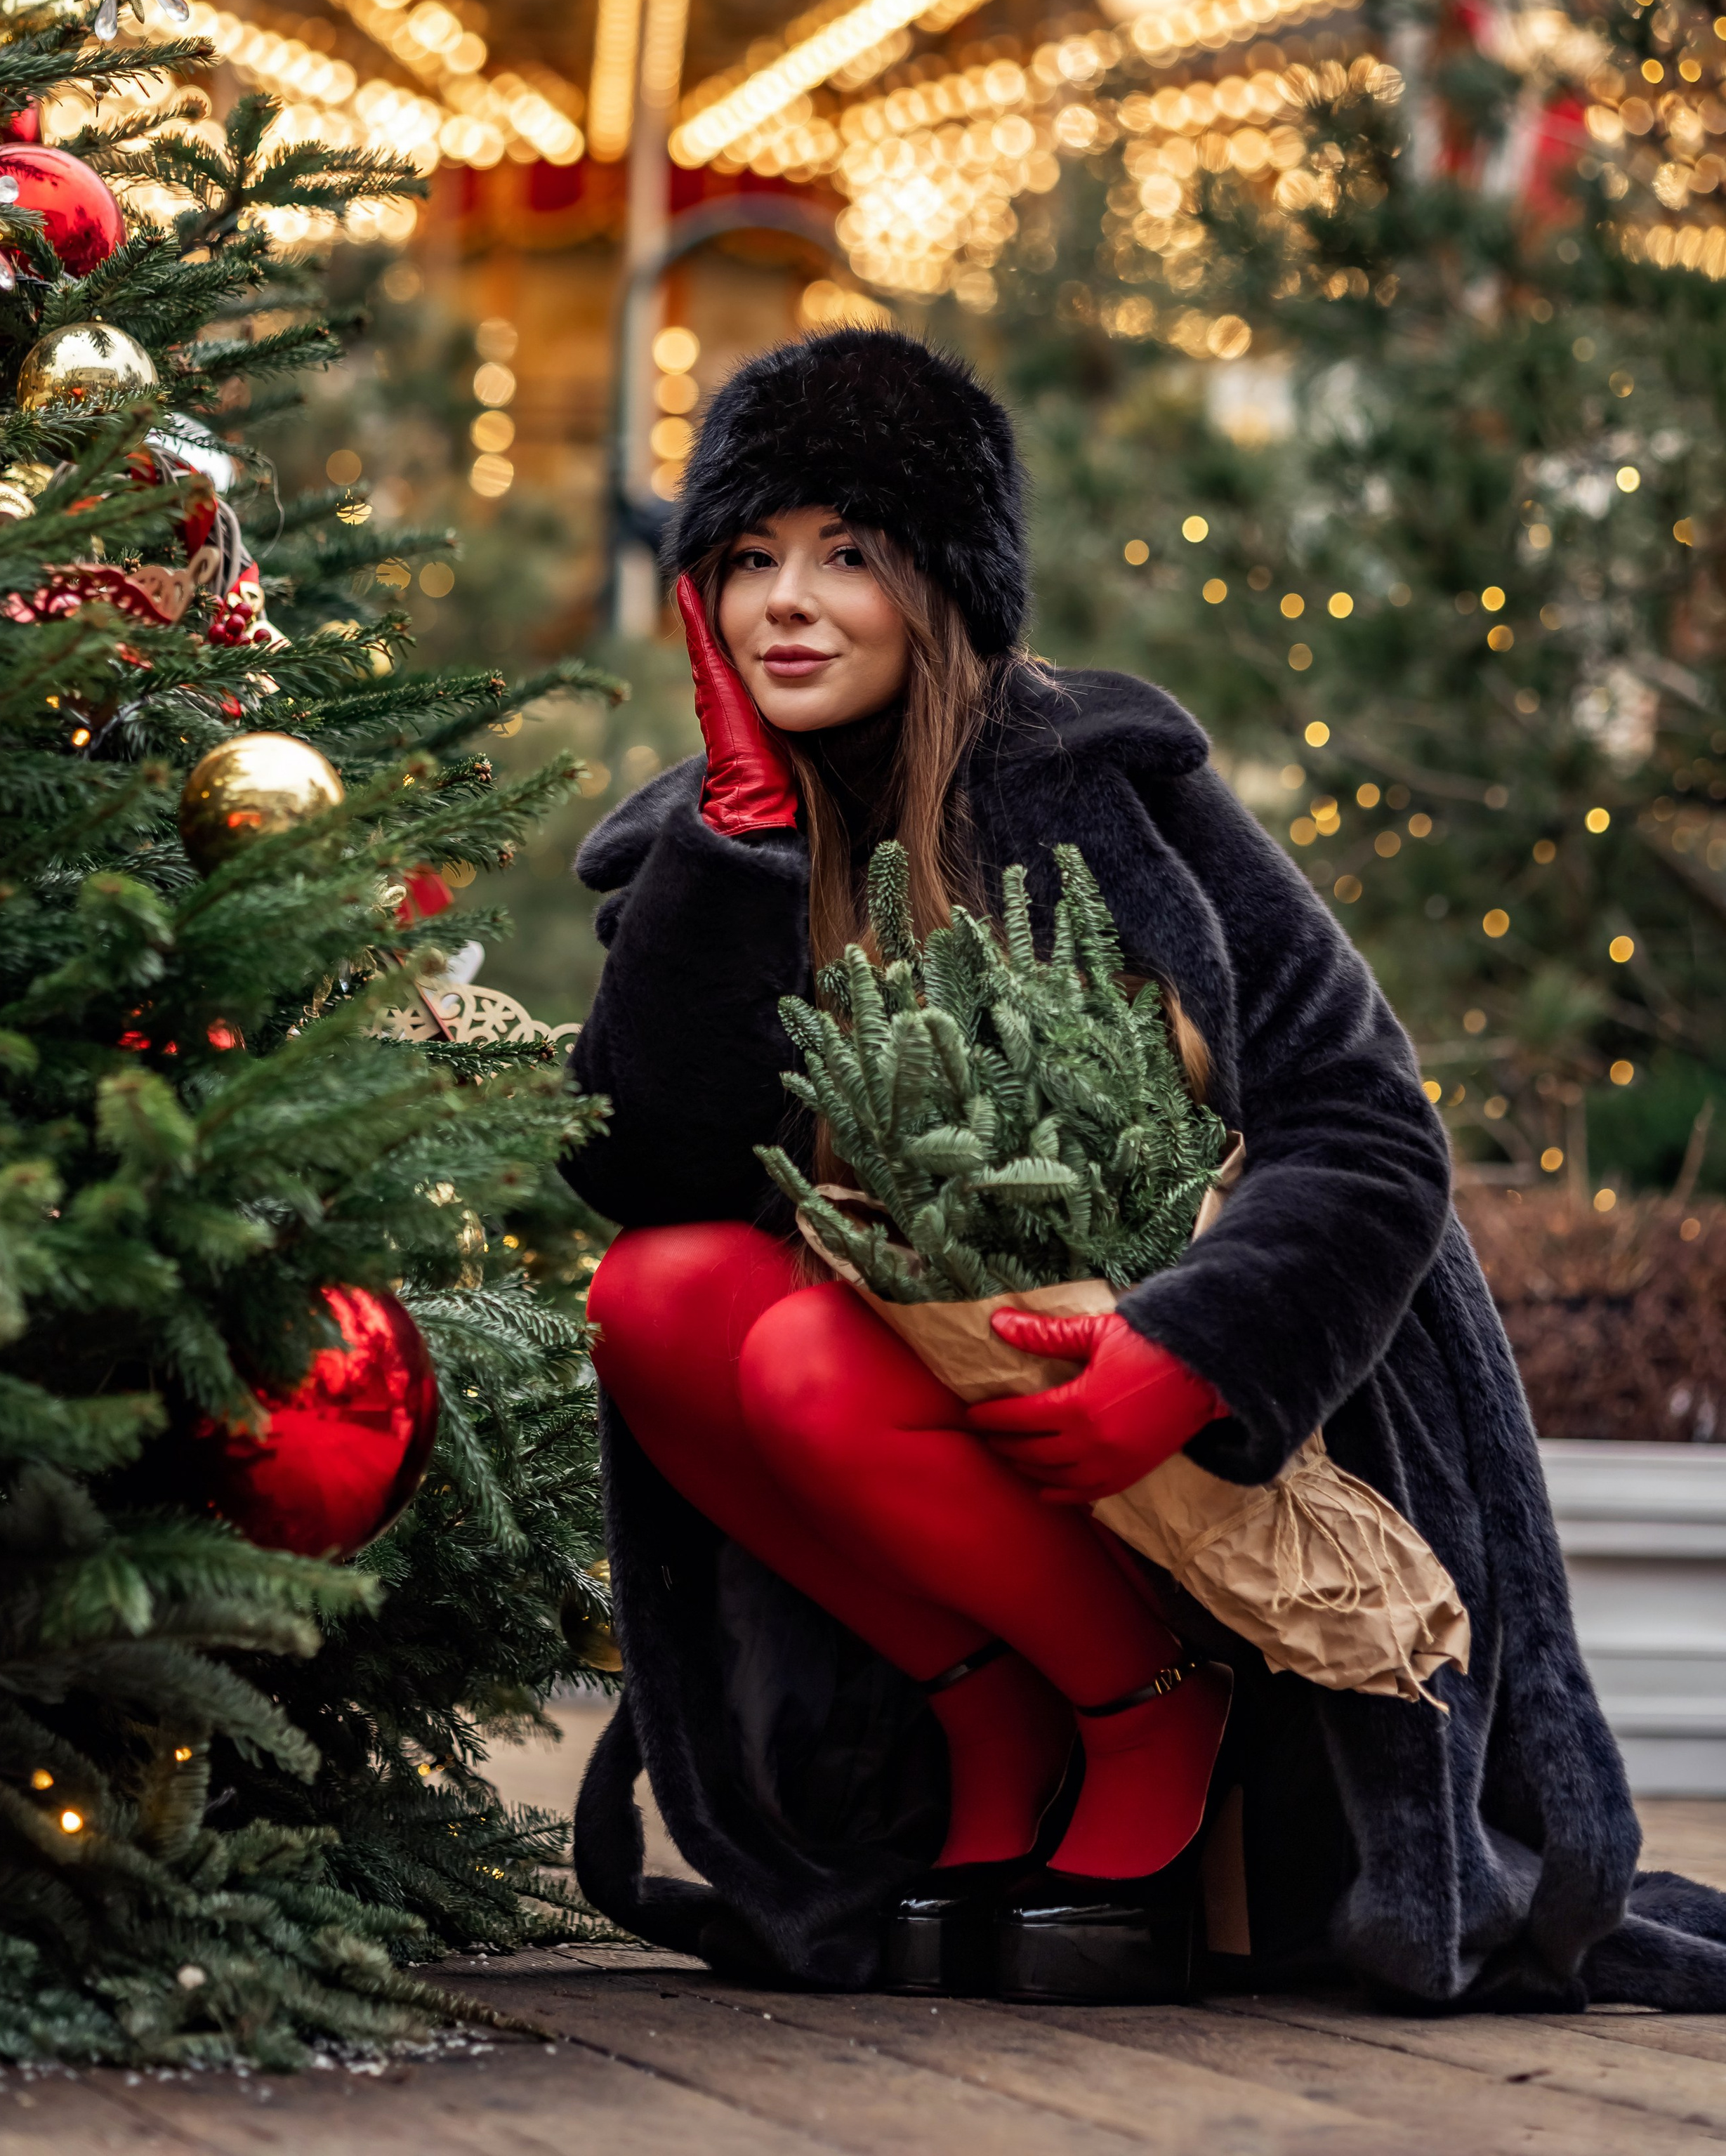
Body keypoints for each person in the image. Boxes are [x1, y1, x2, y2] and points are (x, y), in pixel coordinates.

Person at [565, 326, 1726, 2009]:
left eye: (846, 556)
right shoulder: (711, 840)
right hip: (916, 1449)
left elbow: (1367, 1126)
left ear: (942, 586)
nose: (785, 605)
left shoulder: (1105, 788)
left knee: (813, 1354)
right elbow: (650, 1170)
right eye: (746, 560)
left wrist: (1192, 1355)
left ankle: (1152, 1707)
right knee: (663, 1294)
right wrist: (734, 851)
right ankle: (994, 1718)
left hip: (1185, 1434)